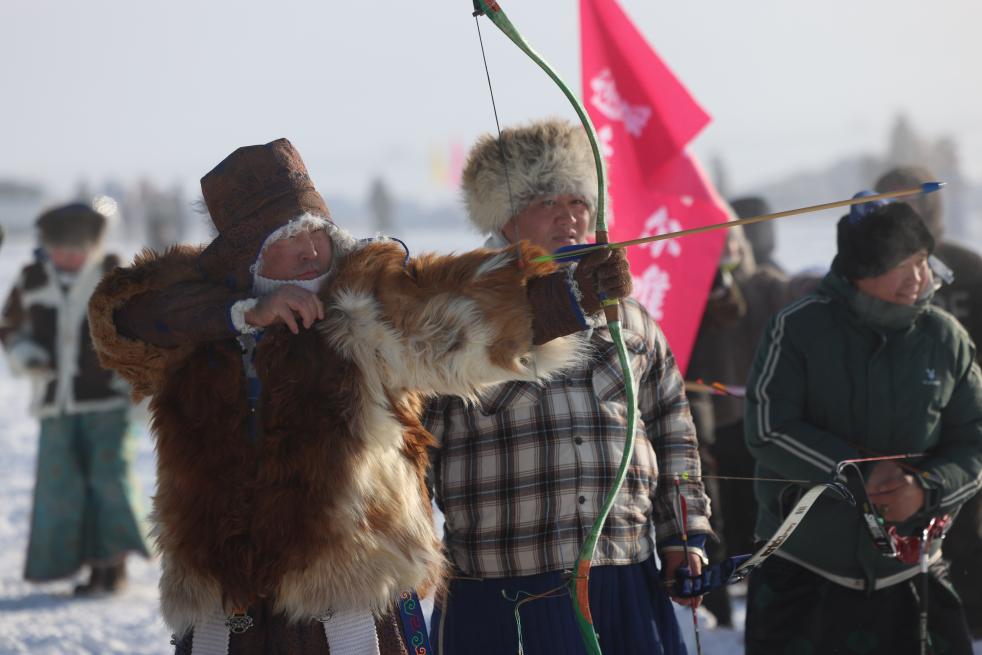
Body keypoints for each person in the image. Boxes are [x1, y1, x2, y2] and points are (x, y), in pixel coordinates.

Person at [87, 138, 629, 654]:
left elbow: (461, 320)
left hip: (351, 598)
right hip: (222, 601)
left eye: (315, 232)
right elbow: (118, 322)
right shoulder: (194, 327)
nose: (308, 251)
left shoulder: (365, 305)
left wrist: (569, 293)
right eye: (283, 241)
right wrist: (241, 316)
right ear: (246, 262)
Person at [422, 119, 711, 655]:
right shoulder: (455, 315)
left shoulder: (631, 317)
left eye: (579, 199)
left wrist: (684, 536)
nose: (569, 214)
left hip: (622, 574)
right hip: (502, 586)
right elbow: (413, 451)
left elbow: (674, 431)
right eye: (545, 201)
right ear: (505, 220)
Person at [743, 197, 982, 654]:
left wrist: (925, 487)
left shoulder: (944, 337)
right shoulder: (797, 327)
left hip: (912, 575)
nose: (916, 278)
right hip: (805, 575)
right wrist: (859, 473)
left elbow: (973, 441)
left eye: (920, 261)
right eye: (899, 264)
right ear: (859, 269)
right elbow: (768, 428)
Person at [0, 203, 149, 596]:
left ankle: (112, 565)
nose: (66, 258)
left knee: (108, 481)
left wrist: (131, 378)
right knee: (62, 488)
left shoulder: (113, 276)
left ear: (93, 247)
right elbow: (9, 326)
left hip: (108, 402)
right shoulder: (32, 278)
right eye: (58, 250)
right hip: (55, 403)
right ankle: (82, 565)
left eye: (75, 250)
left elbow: (141, 329)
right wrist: (24, 352)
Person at [876, 165, 982, 639]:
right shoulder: (868, 275)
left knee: (965, 532)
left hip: (962, 425)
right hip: (894, 434)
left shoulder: (969, 266)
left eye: (911, 200)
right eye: (889, 202)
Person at [685, 217, 790, 626]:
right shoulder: (696, 294)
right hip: (717, 424)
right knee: (721, 521)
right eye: (713, 241)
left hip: (765, 420)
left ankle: (769, 608)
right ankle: (720, 612)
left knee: (766, 521)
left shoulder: (767, 283)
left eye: (730, 238)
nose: (725, 247)